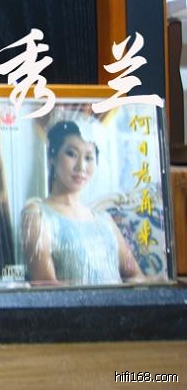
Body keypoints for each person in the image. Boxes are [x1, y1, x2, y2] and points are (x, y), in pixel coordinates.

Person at [20, 120, 142, 286]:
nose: (81, 166)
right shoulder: (37, 215)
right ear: (52, 157)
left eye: (89, 158)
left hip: (119, 302)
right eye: (71, 154)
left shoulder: (104, 220)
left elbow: (135, 276)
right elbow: (46, 287)